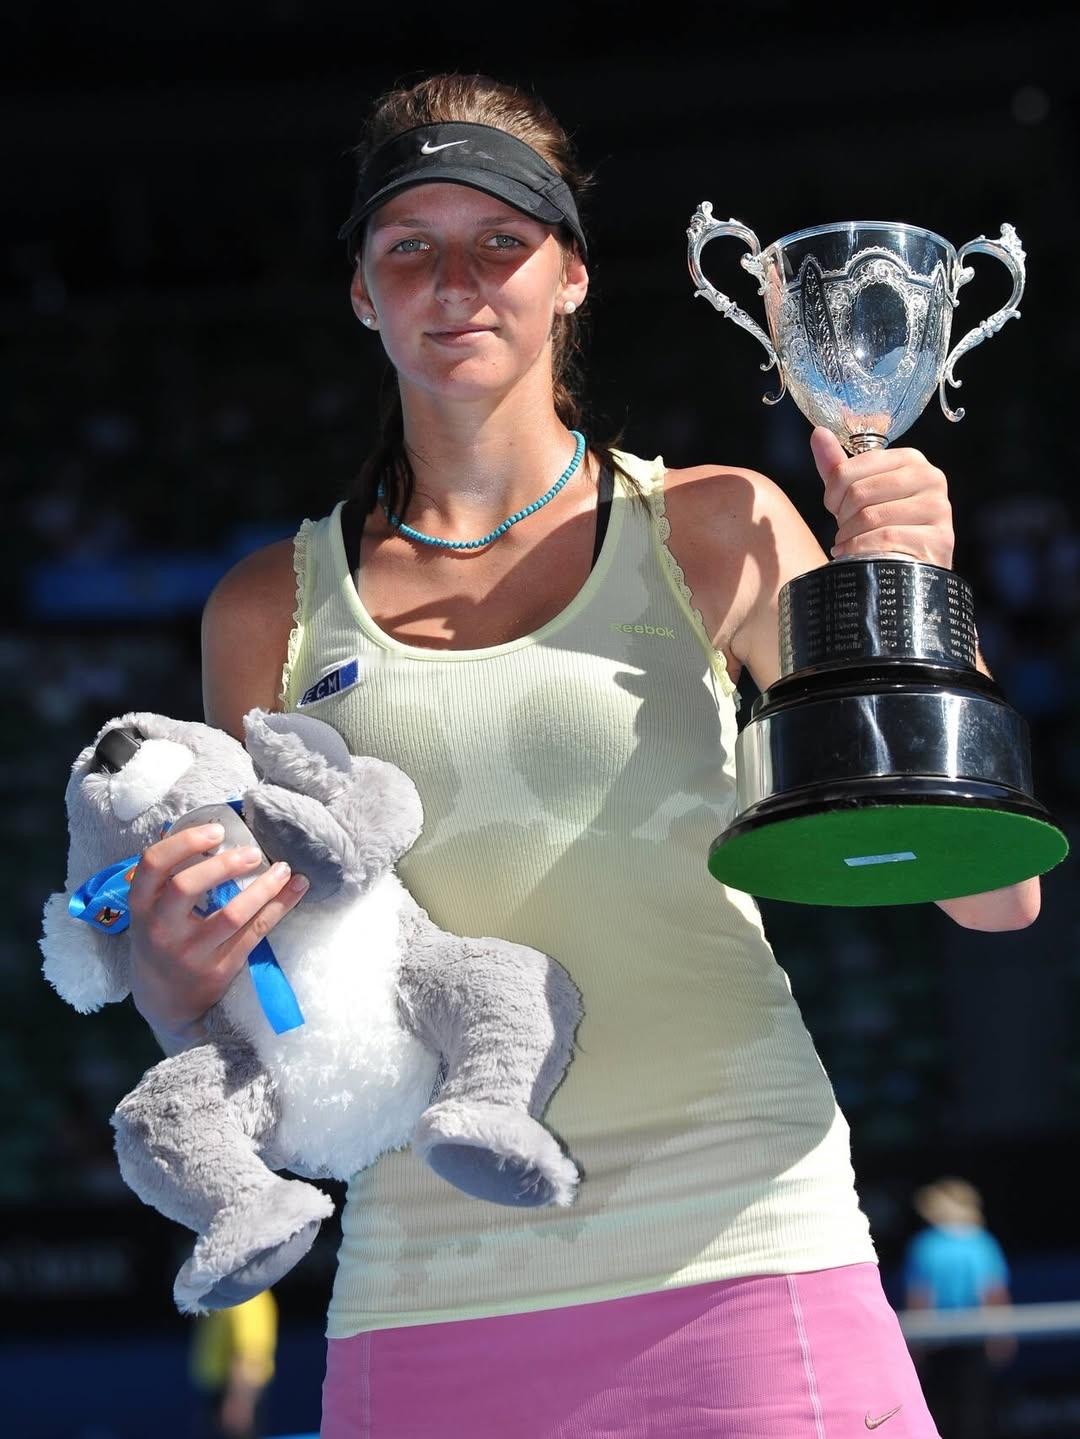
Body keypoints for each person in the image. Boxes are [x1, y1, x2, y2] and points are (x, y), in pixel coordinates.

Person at [125, 72, 1041, 1437]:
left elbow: (992, 892)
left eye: (501, 241)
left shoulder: (721, 527)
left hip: (745, 1252)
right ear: (364, 293)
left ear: (571, 276)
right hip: (423, 1293)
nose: (457, 282)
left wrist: (909, 593)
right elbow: (261, 992)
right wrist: (170, 976)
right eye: (411, 247)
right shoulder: (268, 609)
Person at [903, 1177, 1016, 1439]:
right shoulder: (982, 1243)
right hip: (974, 1338)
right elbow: (993, 1294)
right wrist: (1002, 1335)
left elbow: (920, 1298)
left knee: (939, 1409)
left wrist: (915, 1344)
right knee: (975, 1409)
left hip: (936, 1339)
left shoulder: (925, 1245)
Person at [189, 1287, 279, 1439]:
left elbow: (250, 1357)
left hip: (233, 1396)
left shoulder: (249, 1299)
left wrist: (238, 1402)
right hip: (220, 1395)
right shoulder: (226, 1296)